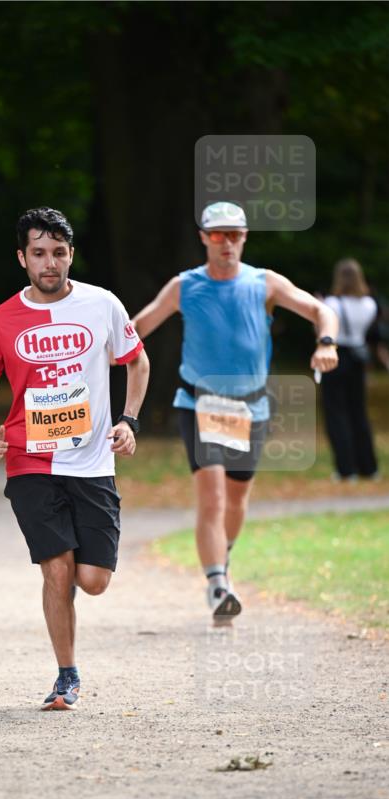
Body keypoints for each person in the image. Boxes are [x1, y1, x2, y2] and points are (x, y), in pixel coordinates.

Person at [0, 207, 149, 710]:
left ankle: (69, 665)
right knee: (58, 569)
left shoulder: (102, 304)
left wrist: (128, 421)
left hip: (92, 463)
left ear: (71, 255)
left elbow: (138, 362)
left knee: (93, 582)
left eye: (59, 253)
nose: (50, 263)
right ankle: (66, 676)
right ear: (22, 258)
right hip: (30, 461)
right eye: (40, 254)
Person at [132, 201, 339, 625]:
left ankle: (222, 561)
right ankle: (217, 585)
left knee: (237, 498)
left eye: (235, 235)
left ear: (244, 238)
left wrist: (327, 342)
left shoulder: (264, 283)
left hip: (250, 407)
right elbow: (136, 329)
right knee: (212, 497)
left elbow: (321, 310)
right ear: (204, 238)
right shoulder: (184, 286)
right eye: (217, 235)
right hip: (200, 402)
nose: (226, 242)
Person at [320, 259, 381, 481]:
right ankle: (369, 467)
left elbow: (324, 330)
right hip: (358, 359)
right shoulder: (369, 304)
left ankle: (346, 469)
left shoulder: (333, 303)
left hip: (337, 356)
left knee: (336, 413)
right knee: (359, 412)